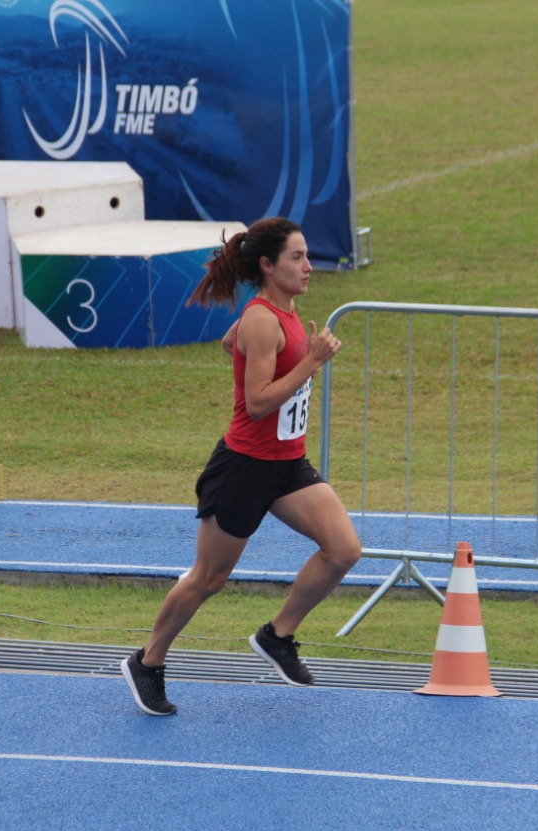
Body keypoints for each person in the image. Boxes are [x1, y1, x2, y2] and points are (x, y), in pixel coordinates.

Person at [120, 216, 361, 715]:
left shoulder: (281, 312)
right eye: (297, 257)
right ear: (269, 266)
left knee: (342, 550)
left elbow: (231, 345)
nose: (308, 266)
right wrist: (310, 362)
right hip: (243, 468)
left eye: (307, 255)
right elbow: (256, 403)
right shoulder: (261, 319)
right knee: (208, 578)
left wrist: (274, 354)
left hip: (286, 465)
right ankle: (148, 661)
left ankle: (278, 636)